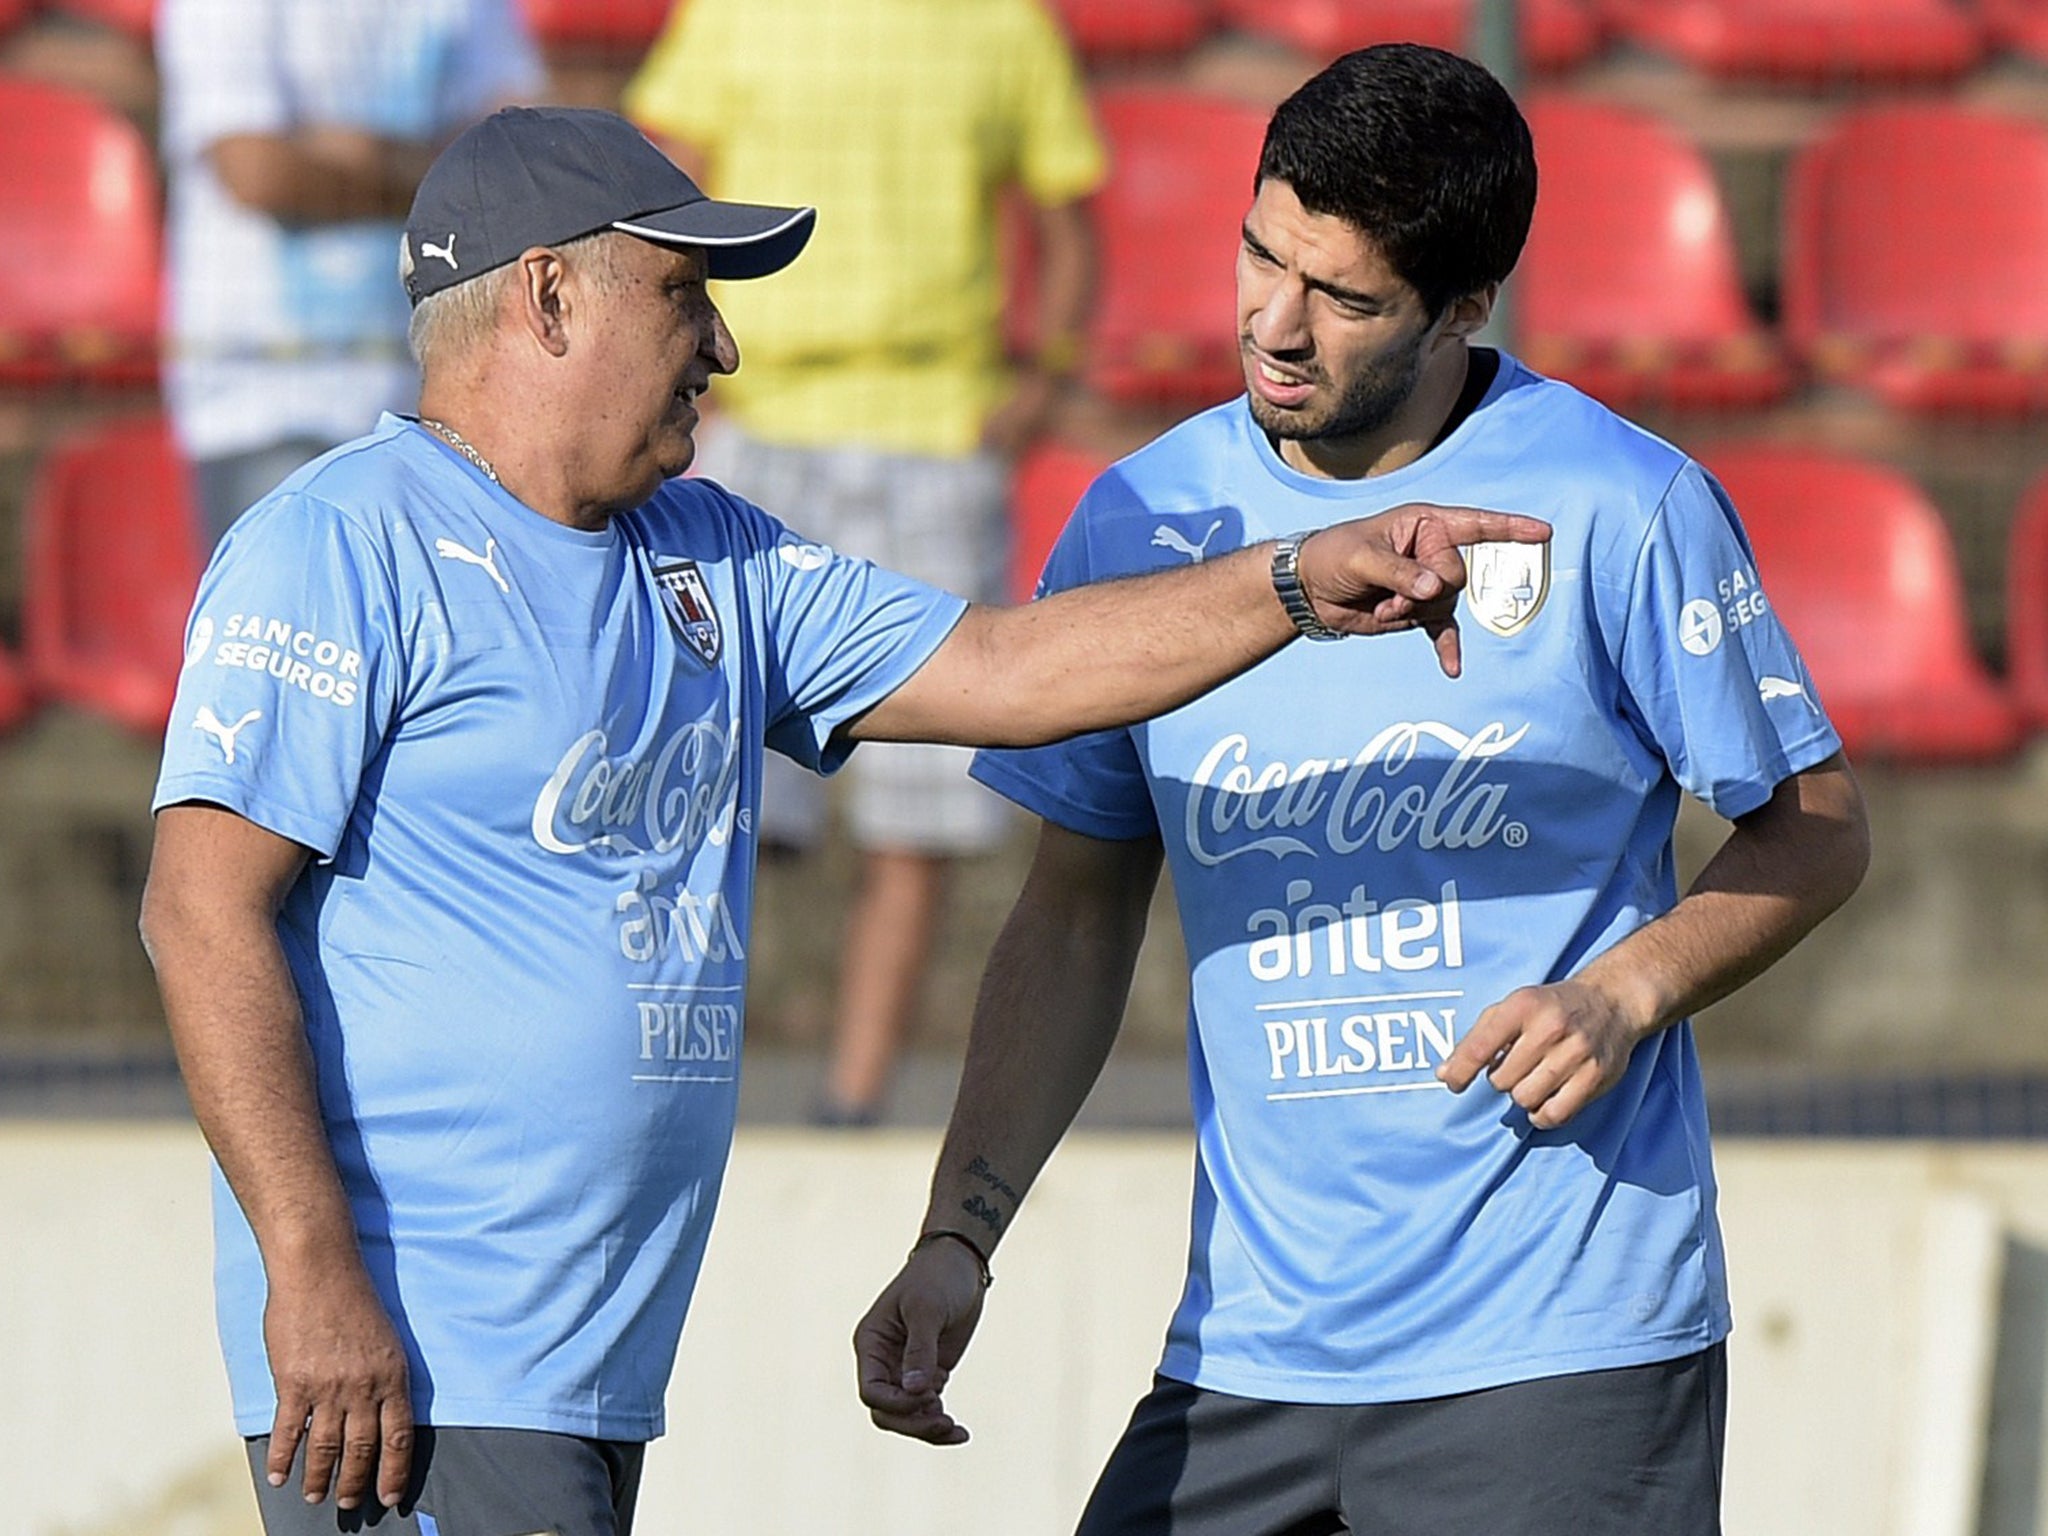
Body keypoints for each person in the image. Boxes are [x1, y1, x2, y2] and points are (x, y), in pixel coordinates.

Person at [137, 104, 1546, 1534]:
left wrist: (1299, 581)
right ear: (549, 297)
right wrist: (312, 1271)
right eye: (685, 295)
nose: (724, 345)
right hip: (415, 1366)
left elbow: (1007, 668)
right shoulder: (339, 541)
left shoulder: (712, 554)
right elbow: (199, 909)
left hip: (580, 1381)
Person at [855, 44, 1871, 1536]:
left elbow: (1821, 829)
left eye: (1342, 297)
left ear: (1464, 306)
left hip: (1557, 1357)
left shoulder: (1620, 502)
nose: (1275, 325)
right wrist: (961, 1234)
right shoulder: (1143, 516)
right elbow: (1074, 912)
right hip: (1244, 1361)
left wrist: (1624, 993)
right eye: (1262, 256)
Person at [620, 0, 1105, 1124]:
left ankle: (848, 1092)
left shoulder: (994, 25)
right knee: (704, 790)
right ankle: (697, 1083)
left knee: (909, 812)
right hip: (764, 420)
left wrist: (1042, 376)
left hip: (909, 427)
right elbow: (661, 188)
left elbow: (1070, 223)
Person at [157, 0, 543, 550]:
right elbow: (258, 173)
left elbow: (515, 155)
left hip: (431, 398)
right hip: (263, 390)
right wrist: (438, 173)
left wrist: (355, 154)